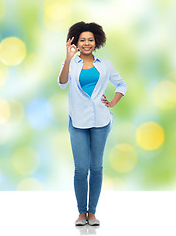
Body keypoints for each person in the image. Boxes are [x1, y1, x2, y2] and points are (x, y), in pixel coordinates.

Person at [57, 21, 127, 226]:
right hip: (78, 121)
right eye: (82, 40)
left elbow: (121, 84)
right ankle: (81, 213)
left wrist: (113, 101)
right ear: (76, 42)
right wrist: (68, 59)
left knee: (96, 167)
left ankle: (92, 213)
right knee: (81, 169)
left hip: (101, 121)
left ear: (96, 42)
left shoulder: (104, 65)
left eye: (90, 40)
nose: (86, 43)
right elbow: (62, 83)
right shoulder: (70, 64)